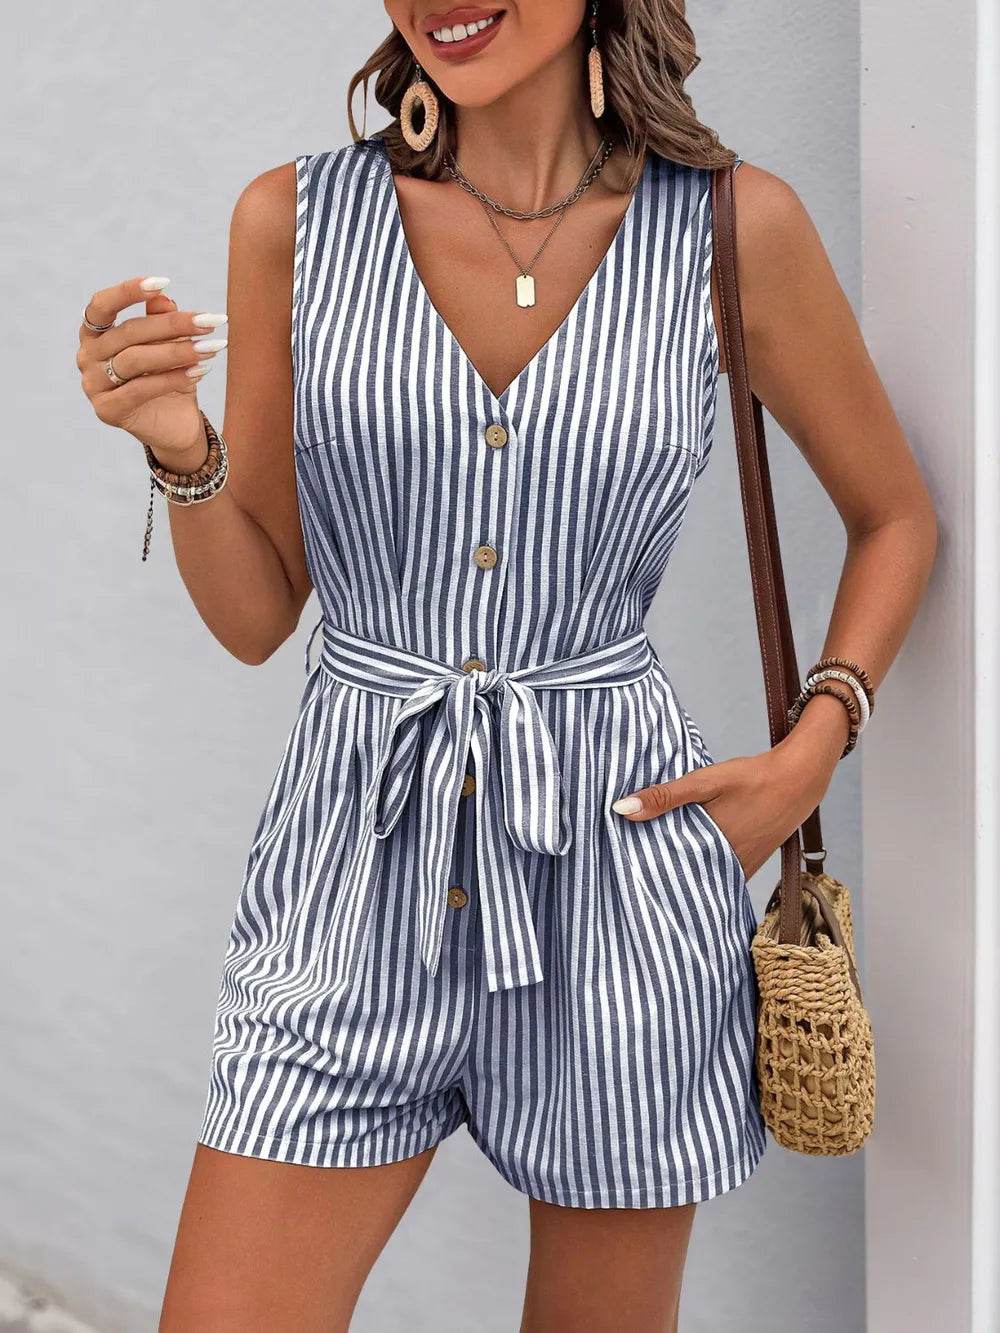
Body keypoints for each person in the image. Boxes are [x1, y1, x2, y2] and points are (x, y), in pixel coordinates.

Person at [76, 3, 937, 1329]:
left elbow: (895, 516)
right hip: (351, 884)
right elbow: (256, 617)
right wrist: (179, 448)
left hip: (623, 883)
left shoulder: (729, 229)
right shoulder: (294, 225)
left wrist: (809, 753)